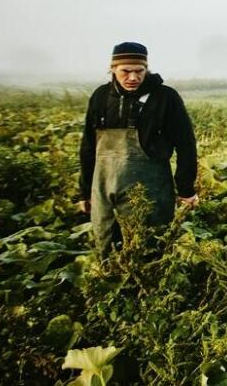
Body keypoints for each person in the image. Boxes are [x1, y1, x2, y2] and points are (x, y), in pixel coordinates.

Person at [77, 42, 199, 254]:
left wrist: (186, 189)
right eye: (126, 71)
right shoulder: (100, 97)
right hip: (104, 188)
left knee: (151, 248)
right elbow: (88, 146)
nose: (133, 78)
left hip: (151, 190)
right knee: (107, 246)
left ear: (146, 69)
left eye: (139, 71)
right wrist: (85, 191)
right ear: (113, 69)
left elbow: (186, 144)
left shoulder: (165, 98)